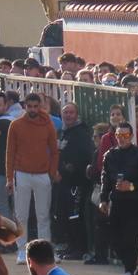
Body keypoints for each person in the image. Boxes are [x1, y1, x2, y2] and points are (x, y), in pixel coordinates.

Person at [6, 93, 60, 264]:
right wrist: (9, 177)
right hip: (21, 174)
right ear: (25, 106)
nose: (33, 110)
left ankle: (46, 252)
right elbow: (10, 153)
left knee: (43, 215)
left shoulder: (48, 124)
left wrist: (51, 172)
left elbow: (54, 150)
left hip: (43, 174)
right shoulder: (16, 125)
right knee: (21, 215)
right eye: (30, 106)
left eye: (36, 106)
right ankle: (22, 251)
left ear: (40, 106)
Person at [99, 121, 138, 275]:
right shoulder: (110, 155)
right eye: (119, 136)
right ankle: (134, 263)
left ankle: (129, 272)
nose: (122, 139)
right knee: (114, 239)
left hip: (134, 202)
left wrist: (132, 186)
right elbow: (105, 179)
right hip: (116, 202)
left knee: (130, 238)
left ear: (132, 136)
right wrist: (103, 199)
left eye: (125, 135)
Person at [57, 103, 94, 259]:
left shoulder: (82, 133)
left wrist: (71, 167)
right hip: (64, 181)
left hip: (78, 182)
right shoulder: (62, 132)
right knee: (66, 215)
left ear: (77, 114)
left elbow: (85, 156)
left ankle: (80, 248)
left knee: (76, 215)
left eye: (71, 112)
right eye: (65, 112)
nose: (68, 115)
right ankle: (71, 246)